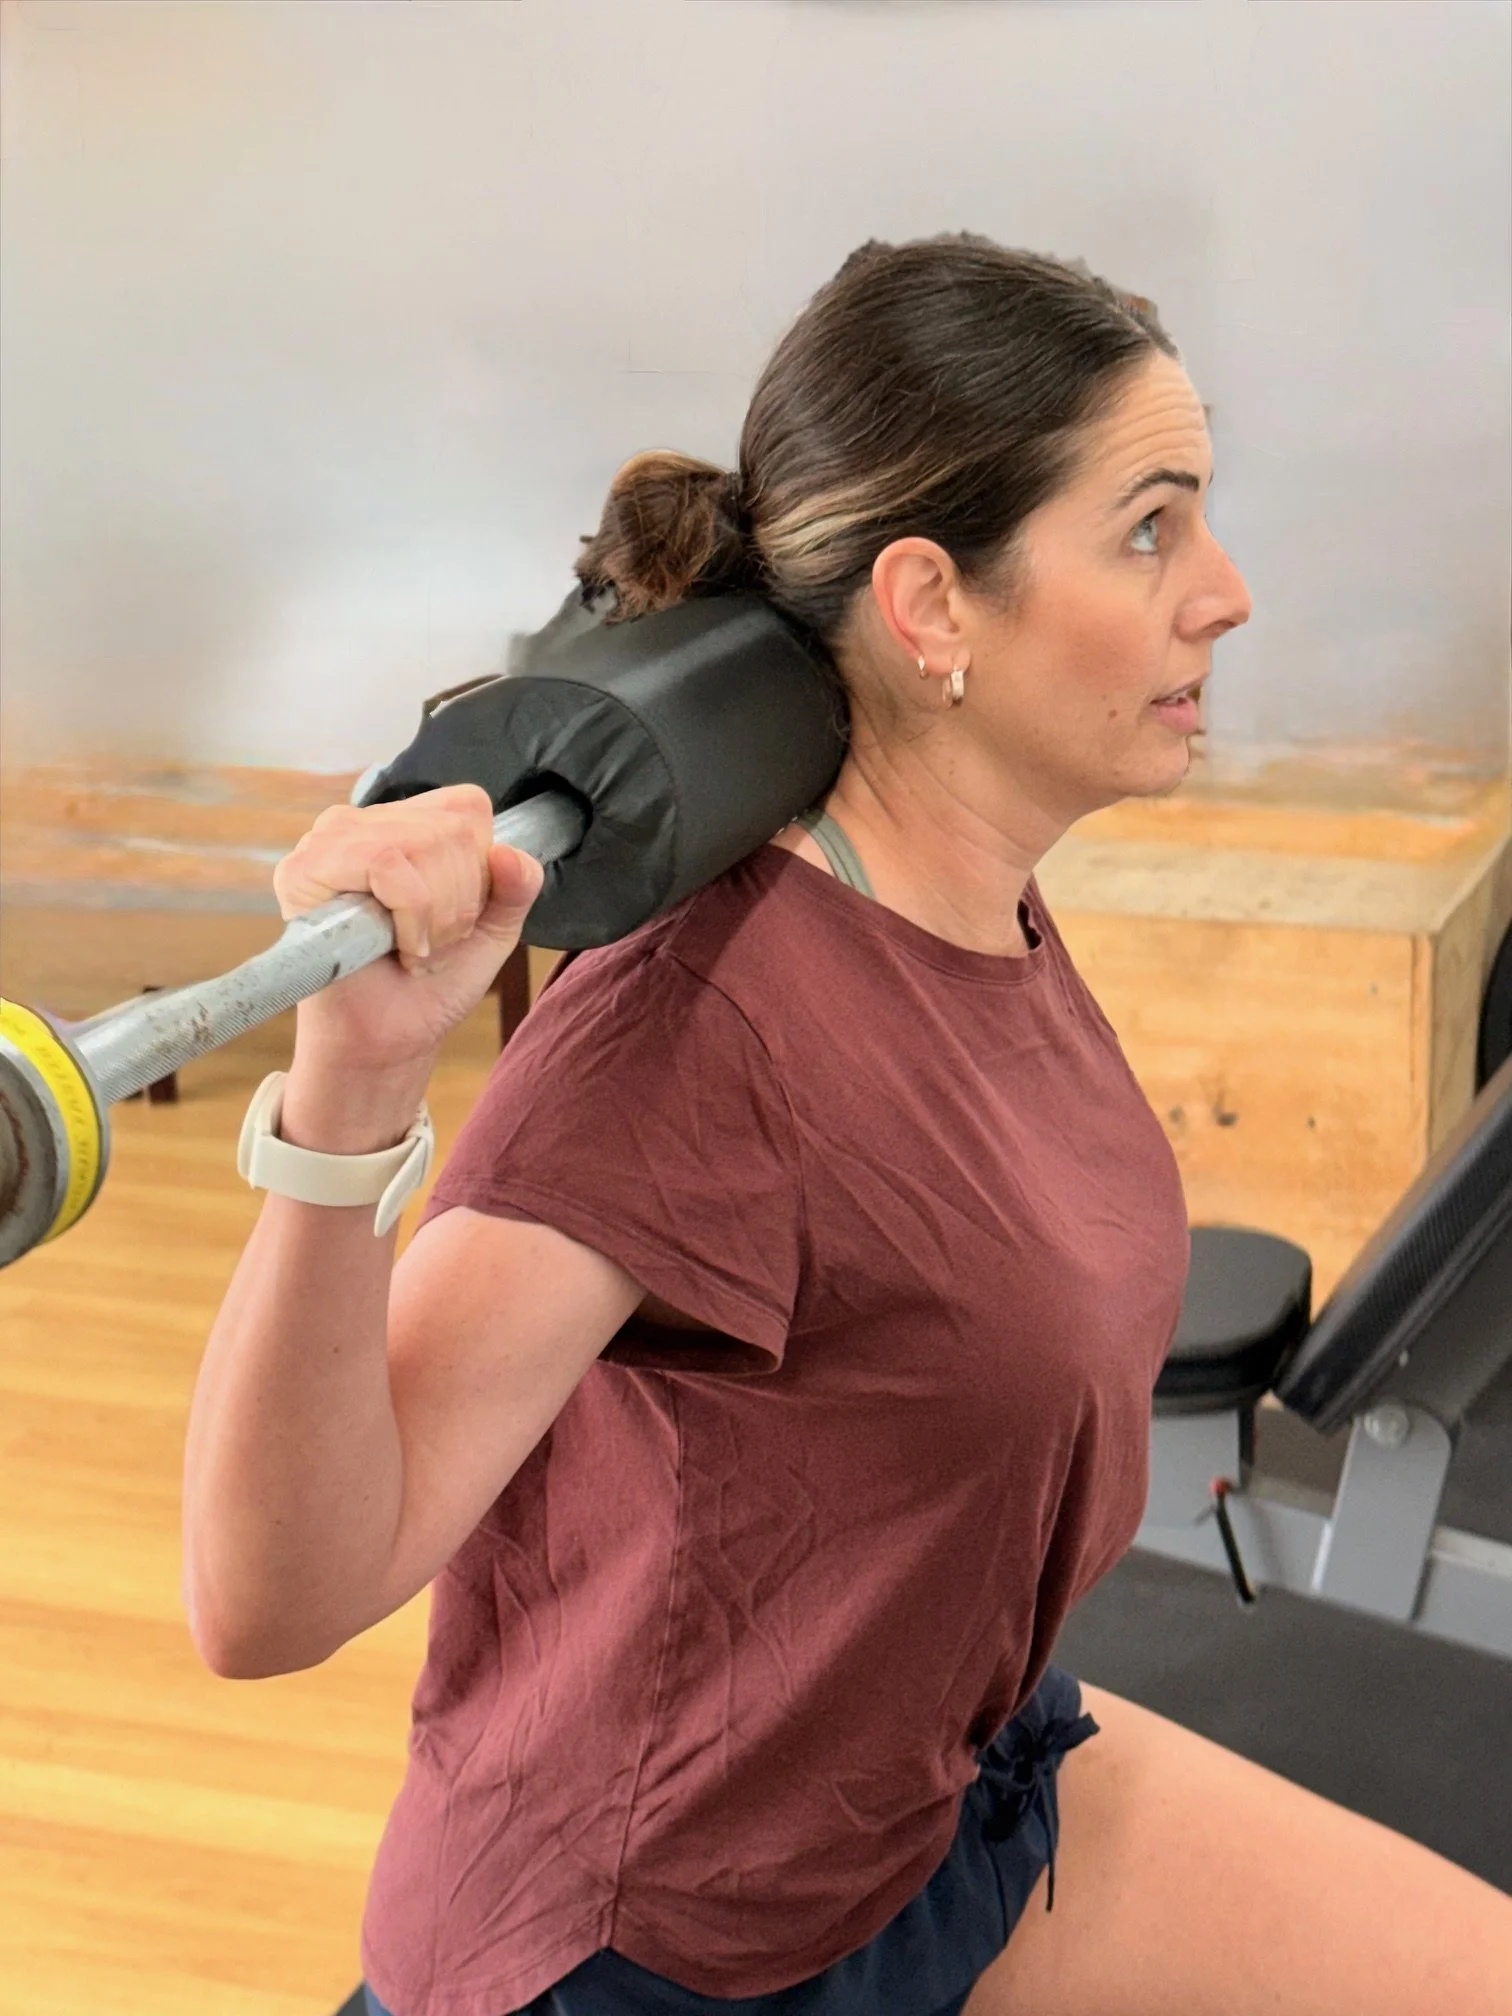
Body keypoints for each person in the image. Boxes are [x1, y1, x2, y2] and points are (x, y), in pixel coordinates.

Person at [183, 234, 1512, 2016]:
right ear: (932, 607)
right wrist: (351, 1088)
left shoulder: (964, 898)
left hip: (954, 1804)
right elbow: (271, 1600)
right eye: (1151, 527)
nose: (1227, 590)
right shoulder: (692, 1033)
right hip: (667, 1957)